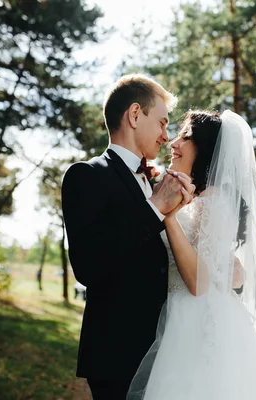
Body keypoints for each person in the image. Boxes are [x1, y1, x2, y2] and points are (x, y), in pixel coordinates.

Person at [127, 110, 256, 400]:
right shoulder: (192, 197)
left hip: (200, 323)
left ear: (206, 148)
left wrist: (169, 219)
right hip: (181, 317)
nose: (173, 142)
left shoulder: (214, 200)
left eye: (185, 136)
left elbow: (199, 283)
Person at [61, 74, 195, 399]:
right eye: (162, 123)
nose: (166, 136)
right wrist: (155, 207)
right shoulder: (87, 175)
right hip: (116, 356)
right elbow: (89, 266)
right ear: (135, 115)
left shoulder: (156, 181)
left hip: (165, 356)